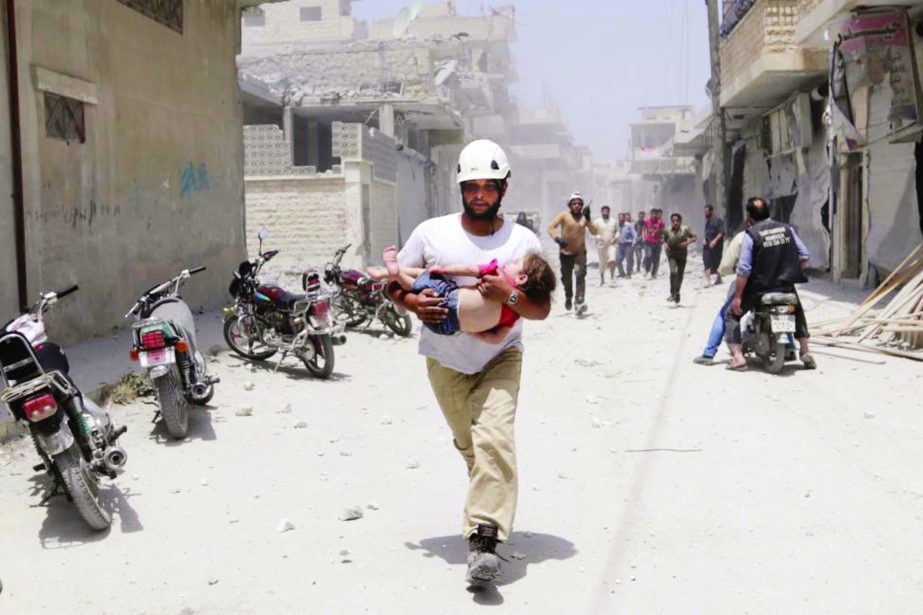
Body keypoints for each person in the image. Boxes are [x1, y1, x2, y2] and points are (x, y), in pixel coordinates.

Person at [388, 139, 551, 586]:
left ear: (504, 188)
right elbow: (392, 285)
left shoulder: (523, 240)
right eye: (472, 186)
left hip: (502, 355)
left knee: (494, 439)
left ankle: (484, 540)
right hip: (445, 361)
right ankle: (485, 480)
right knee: (472, 445)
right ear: (460, 187)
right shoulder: (430, 233)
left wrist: (507, 295)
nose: (480, 194)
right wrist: (412, 303)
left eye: (489, 186)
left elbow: (539, 309)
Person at [369, 246, 555, 344]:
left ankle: (392, 271)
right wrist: (472, 330)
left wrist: (443, 269)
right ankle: (392, 273)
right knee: (423, 284)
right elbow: (495, 337)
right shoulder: (514, 314)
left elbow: (470, 269)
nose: (510, 263)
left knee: (426, 277)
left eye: (515, 263)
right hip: (449, 327)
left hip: (449, 298)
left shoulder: (498, 275)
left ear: (522, 277)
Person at [725, 196, 816, 371]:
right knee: (797, 310)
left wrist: (737, 297)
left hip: (759, 287)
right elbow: (805, 257)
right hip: (784, 284)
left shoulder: (750, 235)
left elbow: (743, 269)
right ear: (769, 212)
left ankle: (738, 357)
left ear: (749, 217)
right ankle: (805, 351)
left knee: (731, 315)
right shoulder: (787, 229)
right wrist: (790, 269)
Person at [692, 219, 750, 365]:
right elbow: (803, 258)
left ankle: (709, 353)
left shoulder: (743, 237)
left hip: (750, 285)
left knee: (725, 314)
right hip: (778, 284)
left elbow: (725, 267)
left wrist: (724, 271)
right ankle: (790, 346)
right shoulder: (783, 232)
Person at [548, 192, 591, 313]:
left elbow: (593, 230)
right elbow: (550, 227)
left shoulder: (584, 217)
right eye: (574, 203)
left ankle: (579, 301)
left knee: (580, 275)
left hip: (580, 253)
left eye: (579, 203)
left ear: (582, 205)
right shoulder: (563, 215)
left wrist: (589, 218)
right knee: (567, 279)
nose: (577, 205)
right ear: (570, 205)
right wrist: (558, 239)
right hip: (565, 253)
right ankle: (568, 295)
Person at [662, 213, 697, 304]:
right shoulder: (667, 230)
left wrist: (687, 242)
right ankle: (672, 293)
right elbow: (664, 239)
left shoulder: (685, 229)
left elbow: (694, 237)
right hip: (672, 255)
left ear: (680, 222)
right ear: (671, 222)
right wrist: (665, 245)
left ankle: (677, 292)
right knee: (673, 272)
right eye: (673, 221)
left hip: (682, 255)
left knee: (680, 275)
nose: (675, 223)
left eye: (677, 221)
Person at [591, 205, 618, 286]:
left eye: (607, 211)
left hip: (611, 244)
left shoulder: (613, 221)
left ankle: (612, 279)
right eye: (604, 211)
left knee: (612, 260)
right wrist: (597, 237)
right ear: (601, 212)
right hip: (601, 245)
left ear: (609, 212)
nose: (605, 213)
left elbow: (617, 231)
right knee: (602, 263)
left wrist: (616, 237)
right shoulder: (597, 221)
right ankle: (602, 279)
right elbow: (593, 232)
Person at [703, 204, 726, 286]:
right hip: (707, 246)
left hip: (717, 246)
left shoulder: (718, 220)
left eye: (706, 212)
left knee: (717, 261)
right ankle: (708, 281)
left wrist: (715, 241)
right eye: (704, 212)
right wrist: (705, 240)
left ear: (711, 211)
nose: (705, 213)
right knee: (706, 261)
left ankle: (719, 278)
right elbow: (707, 233)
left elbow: (722, 232)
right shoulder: (707, 222)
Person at [642, 208, 666, 278]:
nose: (654, 215)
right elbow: (644, 230)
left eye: (655, 214)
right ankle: (647, 269)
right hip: (648, 242)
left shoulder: (660, 222)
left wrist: (662, 239)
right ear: (651, 214)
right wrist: (644, 237)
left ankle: (653, 273)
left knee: (656, 259)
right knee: (649, 256)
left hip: (657, 242)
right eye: (653, 213)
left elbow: (663, 232)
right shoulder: (646, 221)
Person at [616, 212, 638, 278]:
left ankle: (628, 274)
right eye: (619, 217)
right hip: (620, 245)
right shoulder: (617, 225)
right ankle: (622, 273)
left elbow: (635, 234)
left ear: (624, 218)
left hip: (628, 245)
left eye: (622, 217)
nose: (621, 219)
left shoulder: (629, 225)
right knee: (617, 260)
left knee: (629, 260)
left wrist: (634, 242)